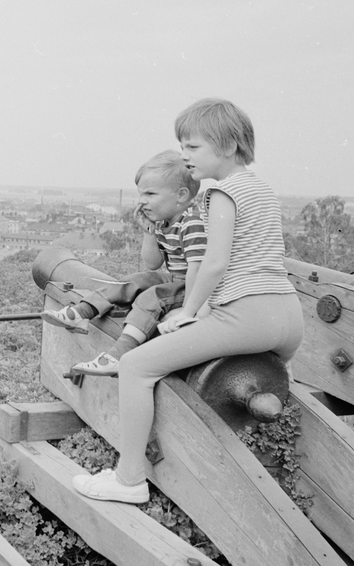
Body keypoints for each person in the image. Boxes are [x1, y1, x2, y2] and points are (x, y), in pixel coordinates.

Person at [71, 98, 304, 504]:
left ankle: (129, 480)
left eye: (193, 147)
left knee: (135, 365)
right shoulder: (262, 190)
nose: (185, 156)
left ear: (228, 146)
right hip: (287, 317)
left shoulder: (220, 195)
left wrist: (189, 312)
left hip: (247, 314)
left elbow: (214, 264)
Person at [43, 150, 207, 374]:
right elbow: (152, 264)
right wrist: (149, 233)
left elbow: (199, 270)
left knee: (152, 297)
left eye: (150, 194)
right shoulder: (165, 221)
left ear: (180, 195)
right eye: (141, 194)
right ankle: (83, 312)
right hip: (177, 279)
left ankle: (120, 353)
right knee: (133, 280)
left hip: (193, 284)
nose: (142, 202)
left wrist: (187, 310)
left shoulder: (192, 223)